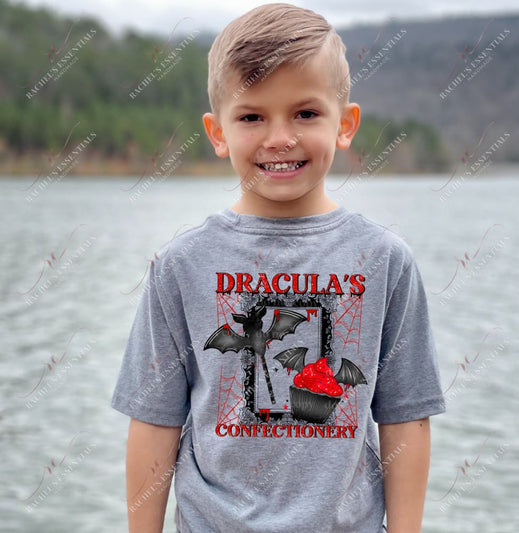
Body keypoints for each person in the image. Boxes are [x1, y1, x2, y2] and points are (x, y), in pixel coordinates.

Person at [111, 3, 445, 532]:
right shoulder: (181, 266)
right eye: (251, 117)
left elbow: (407, 415)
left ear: (346, 124)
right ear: (217, 132)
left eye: (306, 113)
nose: (280, 138)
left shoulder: (384, 261)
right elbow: (153, 423)